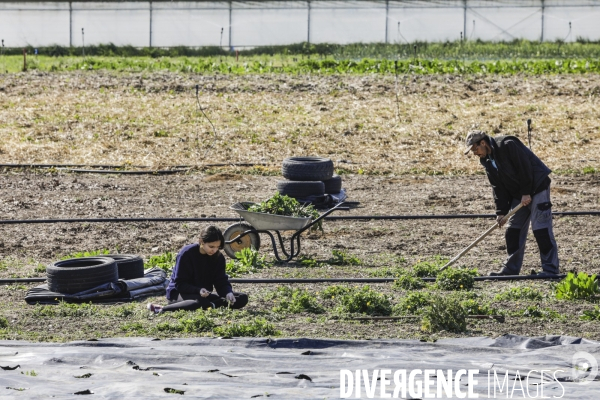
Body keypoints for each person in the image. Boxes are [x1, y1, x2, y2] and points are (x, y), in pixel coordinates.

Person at [464, 130, 559, 277]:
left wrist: (527, 192)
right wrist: (501, 212)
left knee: (541, 230)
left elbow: (525, 168)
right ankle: (510, 270)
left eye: (475, 149)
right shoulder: (488, 161)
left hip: (537, 187)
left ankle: (550, 270)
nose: (475, 153)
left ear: (483, 143)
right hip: (519, 193)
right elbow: (498, 187)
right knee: (513, 230)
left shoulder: (508, 145)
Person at [147, 225, 248, 313]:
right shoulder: (187, 253)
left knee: (241, 298)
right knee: (200, 302)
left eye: (218, 247)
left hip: (203, 294)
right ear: (201, 242)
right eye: (211, 246)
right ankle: (162, 309)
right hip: (180, 293)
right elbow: (179, 284)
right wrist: (198, 290)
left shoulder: (218, 257)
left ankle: (210, 305)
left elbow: (220, 281)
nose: (214, 250)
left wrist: (227, 292)